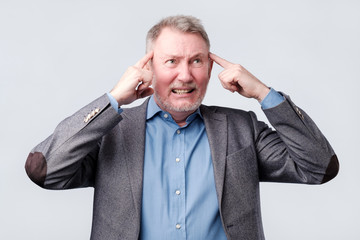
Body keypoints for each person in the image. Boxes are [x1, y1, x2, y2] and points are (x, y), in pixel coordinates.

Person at [25, 15, 339, 240]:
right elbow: (44, 170)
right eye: (171, 61)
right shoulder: (111, 131)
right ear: (148, 68)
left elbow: (319, 167)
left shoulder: (242, 127)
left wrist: (264, 94)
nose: (185, 75)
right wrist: (114, 100)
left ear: (211, 68)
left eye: (197, 61)